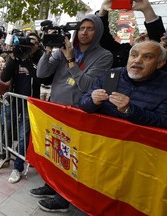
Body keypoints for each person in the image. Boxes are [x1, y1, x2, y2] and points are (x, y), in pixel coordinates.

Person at [30, 14, 113, 213]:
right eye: (82, 28)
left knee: (70, 159)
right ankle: (51, 185)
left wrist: (70, 59)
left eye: (90, 28)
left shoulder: (104, 56)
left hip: (78, 115)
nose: (84, 32)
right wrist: (48, 50)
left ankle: (64, 198)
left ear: (98, 31)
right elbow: (41, 74)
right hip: (56, 110)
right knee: (54, 152)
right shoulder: (66, 48)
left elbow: (86, 85)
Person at [79, 40, 167, 129]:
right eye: (134, 55)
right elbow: (83, 103)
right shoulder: (110, 75)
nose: (137, 60)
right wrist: (93, 101)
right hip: (101, 136)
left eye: (147, 57)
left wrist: (129, 110)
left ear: (160, 64)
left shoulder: (164, 86)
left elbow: (163, 121)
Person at [0, 32, 48, 184]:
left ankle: (18, 167)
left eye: (33, 42)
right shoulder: (18, 56)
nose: (30, 45)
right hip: (14, 101)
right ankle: (4, 156)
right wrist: (13, 57)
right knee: (6, 129)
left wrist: (29, 59)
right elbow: (5, 77)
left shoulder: (41, 57)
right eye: (28, 42)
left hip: (30, 104)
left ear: (38, 44)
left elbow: (41, 77)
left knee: (22, 136)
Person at [97, 0, 165, 68]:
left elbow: (158, 43)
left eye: (146, 36)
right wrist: (102, 12)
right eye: (141, 33)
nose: (142, 36)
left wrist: (147, 9)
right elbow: (104, 38)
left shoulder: (155, 57)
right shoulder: (123, 50)